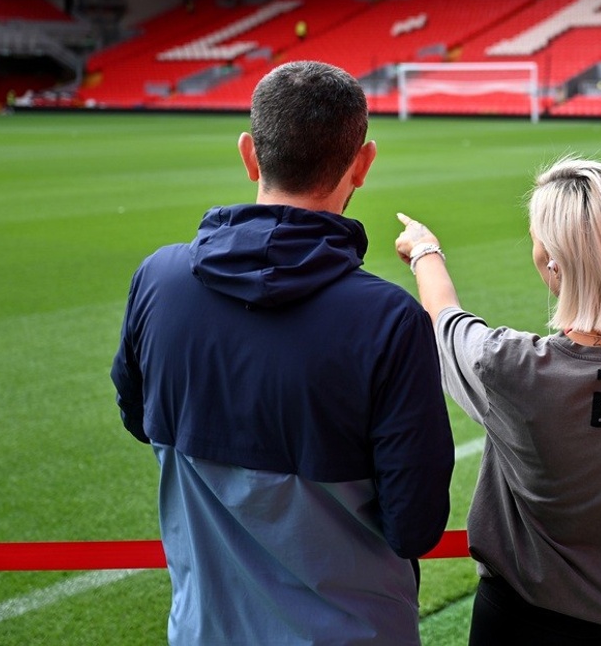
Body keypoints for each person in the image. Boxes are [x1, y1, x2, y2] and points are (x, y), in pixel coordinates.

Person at [111, 60, 455, 645]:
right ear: (363, 164)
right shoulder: (388, 320)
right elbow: (415, 525)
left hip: (203, 630)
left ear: (249, 154)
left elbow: (138, 418)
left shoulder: (158, 280)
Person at [395, 157, 601, 646]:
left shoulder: (509, 365)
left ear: (552, 258)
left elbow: (446, 320)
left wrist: (426, 250)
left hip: (516, 626)